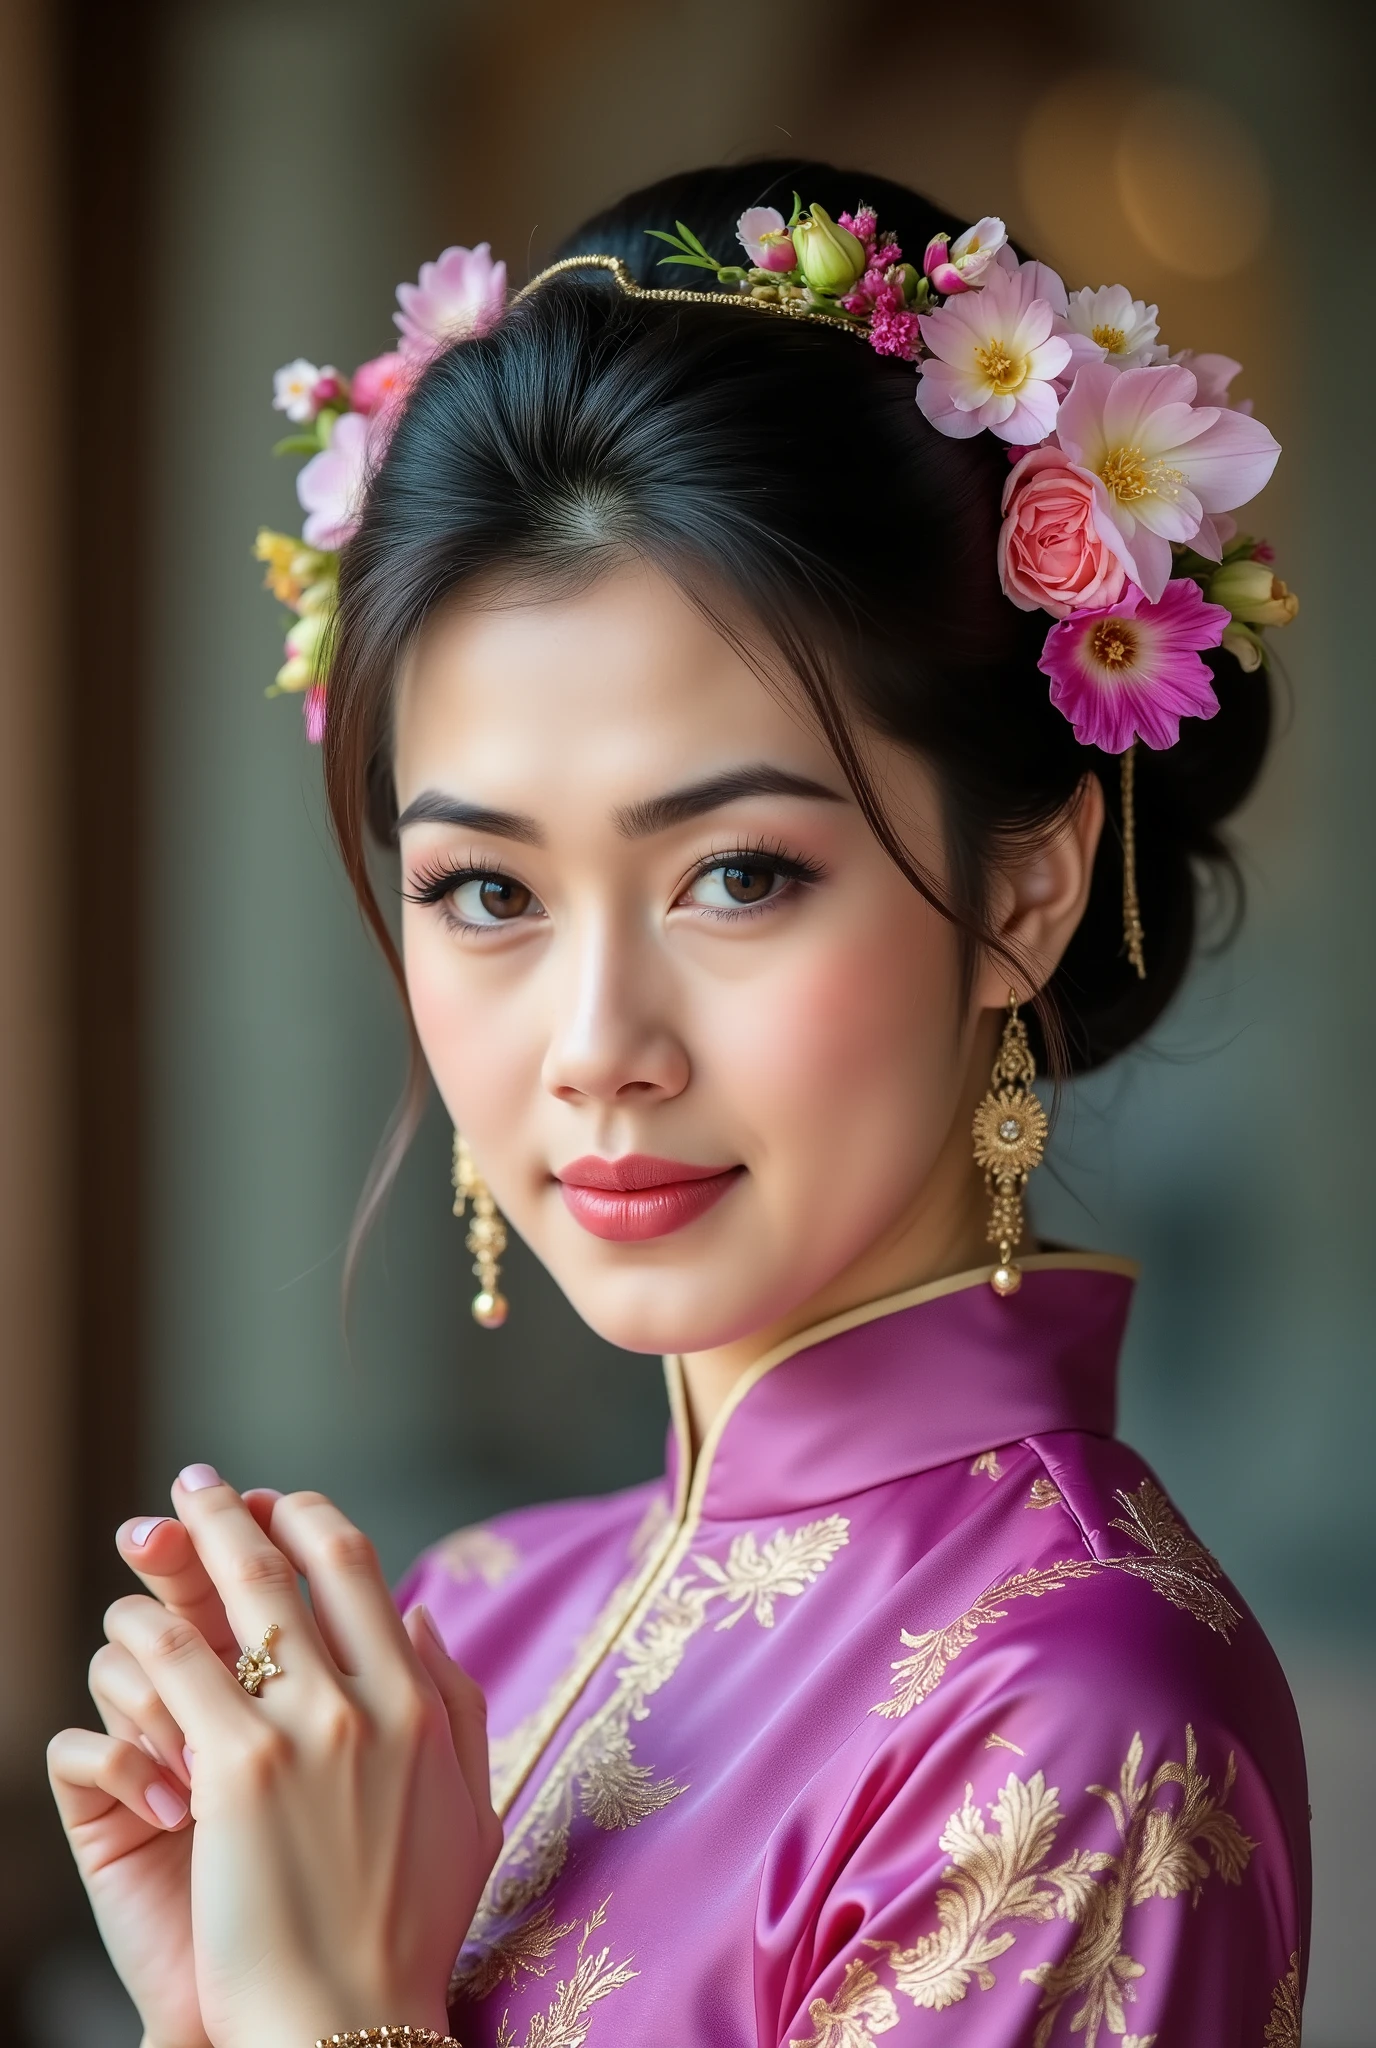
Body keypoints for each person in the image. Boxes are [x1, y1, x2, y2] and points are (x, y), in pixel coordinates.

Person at [49, 161, 1309, 2048]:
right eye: (488, 891)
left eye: (736, 874)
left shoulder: (1074, 1715)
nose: (594, 1040)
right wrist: (212, 2009)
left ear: (1023, 893)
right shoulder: (464, 1626)